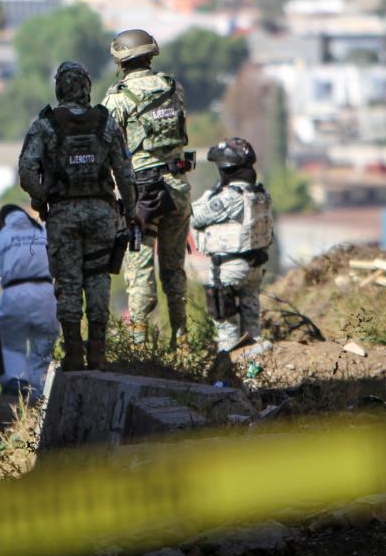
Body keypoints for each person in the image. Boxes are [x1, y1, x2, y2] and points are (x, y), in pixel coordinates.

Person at [19, 61, 137, 371]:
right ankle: (97, 354)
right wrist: (131, 211)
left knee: (68, 281)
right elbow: (125, 174)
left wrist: (41, 198)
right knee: (98, 278)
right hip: (102, 214)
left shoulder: (45, 125)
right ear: (86, 87)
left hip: (63, 214)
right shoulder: (106, 123)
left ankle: (73, 354)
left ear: (59, 88)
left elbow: (27, 170)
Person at [101, 29, 195, 346]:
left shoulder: (117, 99)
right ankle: (182, 339)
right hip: (178, 188)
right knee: (174, 268)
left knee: (140, 271)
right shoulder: (173, 87)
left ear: (120, 60)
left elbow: (105, 145)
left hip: (143, 195)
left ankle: (139, 345)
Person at [190, 138, 274, 353]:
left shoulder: (230, 197)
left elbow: (196, 217)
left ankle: (229, 369)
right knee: (252, 331)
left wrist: (211, 193)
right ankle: (256, 366)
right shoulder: (259, 194)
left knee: (226, 329)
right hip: (254, 268)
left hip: (228, 268)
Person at [0, 204, 57, 397]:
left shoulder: (0, 242)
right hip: (46, 296)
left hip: (14, 296)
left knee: (11, 347)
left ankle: (16, 386)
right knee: (42, 350)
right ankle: (39, 397)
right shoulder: (44, 235)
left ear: (2, 222)